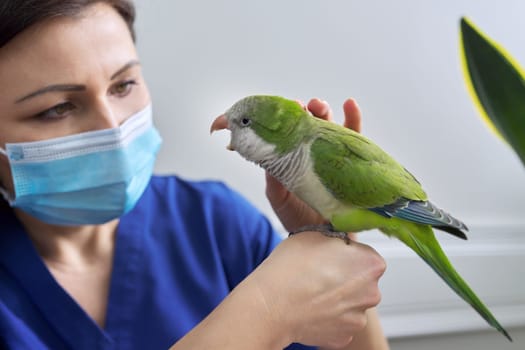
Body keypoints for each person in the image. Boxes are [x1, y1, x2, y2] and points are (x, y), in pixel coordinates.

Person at [0, 1, 389, 349]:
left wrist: (337, 240)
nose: (113, 127)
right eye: (57, 108)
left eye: (124, 85)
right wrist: (264, 312)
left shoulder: (216, 223)